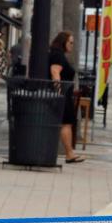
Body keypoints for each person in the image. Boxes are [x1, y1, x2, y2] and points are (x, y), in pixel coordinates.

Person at [48, 31, 84, 163]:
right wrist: (59, 92)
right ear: (63, 42)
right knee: (66, 123)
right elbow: (55, 72)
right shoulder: (58, 55)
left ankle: (70, 153)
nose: (72, 45)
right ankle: (69, 153)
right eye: (70, 42)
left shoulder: (58, 54)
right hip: (61, 95)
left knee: (66, 123)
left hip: (63, 94)